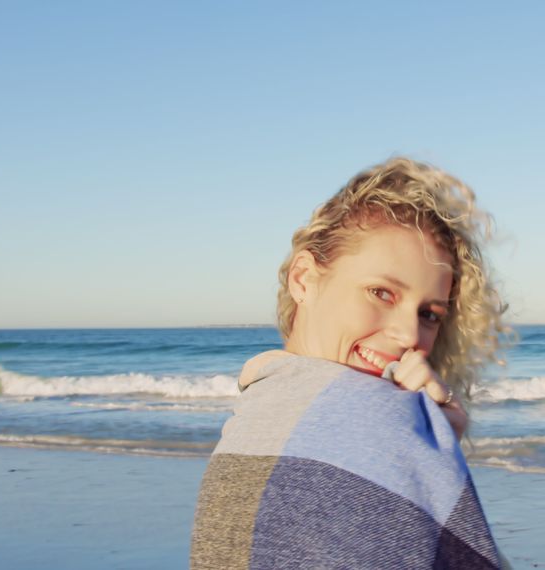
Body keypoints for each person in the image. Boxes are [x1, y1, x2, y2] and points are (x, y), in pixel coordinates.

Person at [191, 157, 513, 569]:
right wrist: (425, 450)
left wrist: (434, 448)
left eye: (429, 314)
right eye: (381, 293)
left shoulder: (256, 408)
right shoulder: (372, 416)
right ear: (304, 279)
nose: (410, 336)